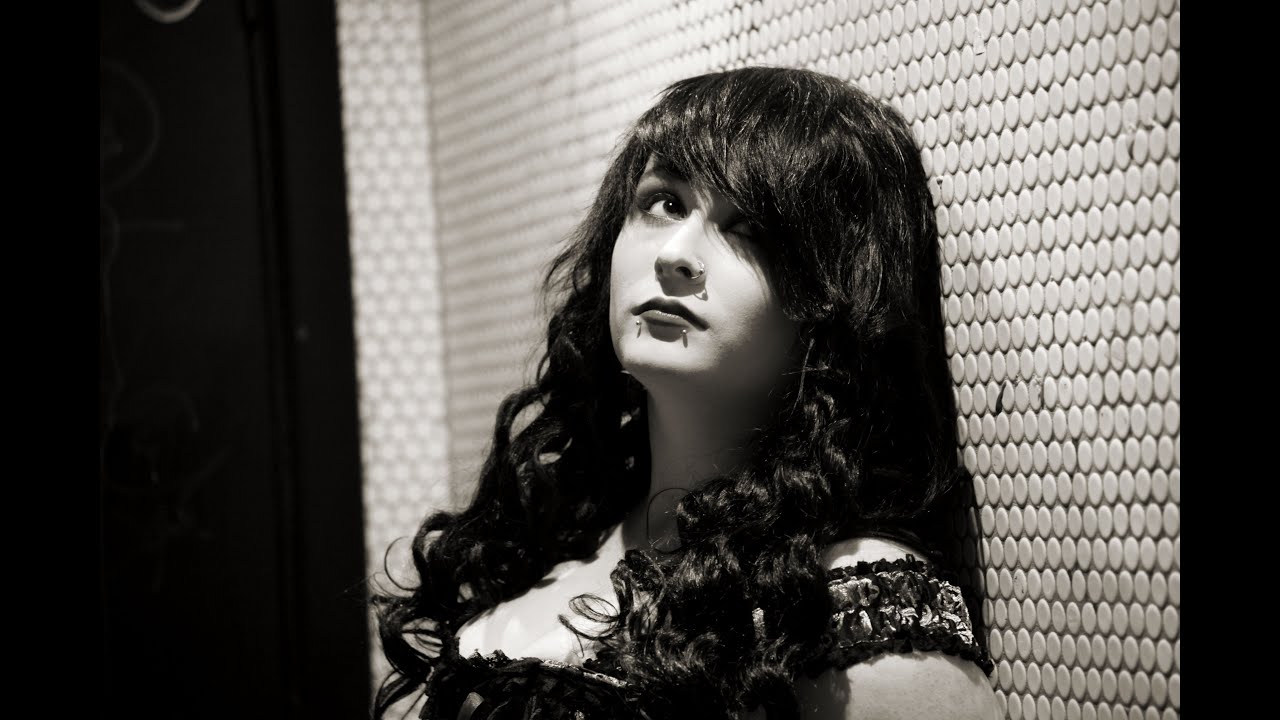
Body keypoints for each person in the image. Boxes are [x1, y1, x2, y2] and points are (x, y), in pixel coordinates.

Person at [372, 66, 999, 720]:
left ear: (836, 296)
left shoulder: (857, 612)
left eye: (751, 227)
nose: (675, 254)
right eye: (664, 203)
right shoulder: (553, 536)